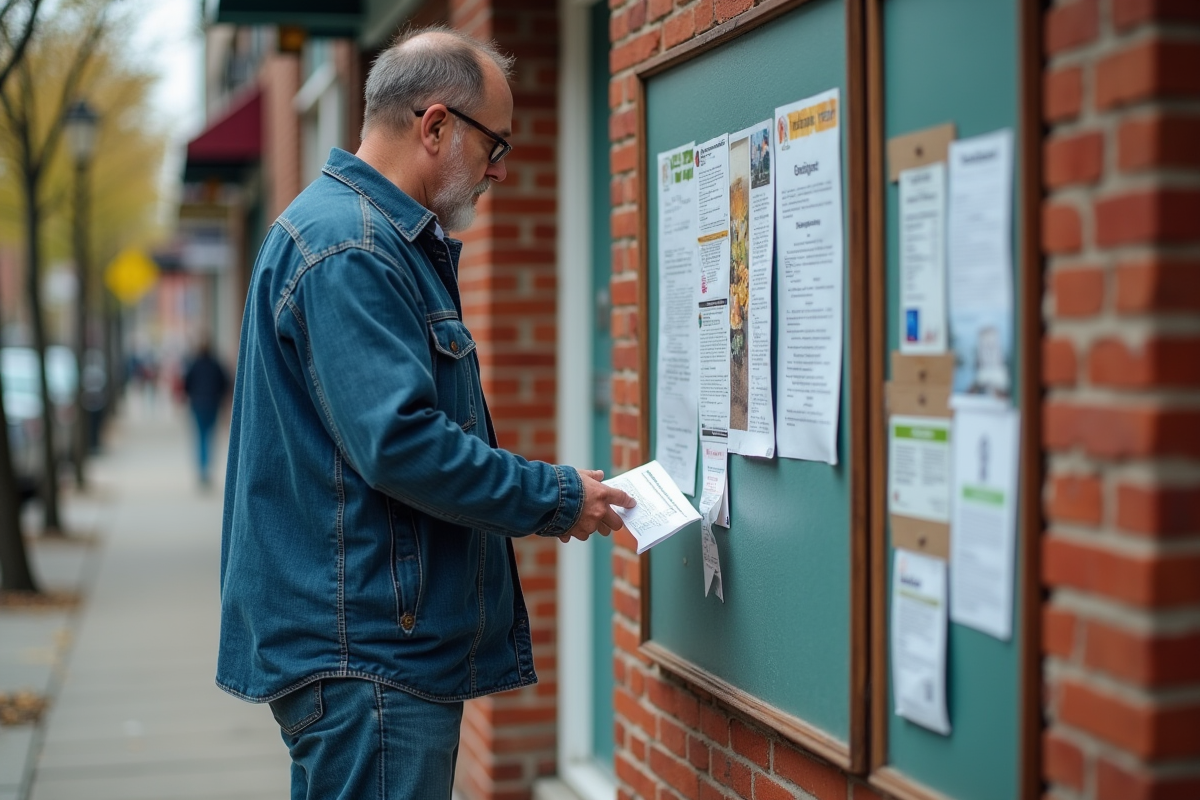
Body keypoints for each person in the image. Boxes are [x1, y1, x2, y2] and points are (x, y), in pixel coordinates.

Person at [217, 26, 635, 800]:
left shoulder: (349, 233)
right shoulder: (354, 248)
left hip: (357, 649)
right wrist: (557, 496)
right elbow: (402, 444)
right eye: (494, 145)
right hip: (370, 658)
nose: (499, 171)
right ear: (436, 126)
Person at [181, 341, 230, 486]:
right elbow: (225, 382)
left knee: (201, 436)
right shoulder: (215, 365)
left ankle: (202, 469)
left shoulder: (194, 365)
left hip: (198, 404)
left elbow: (186, 383)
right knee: (210, 436)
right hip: (213, 404)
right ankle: (207, 467)